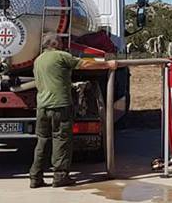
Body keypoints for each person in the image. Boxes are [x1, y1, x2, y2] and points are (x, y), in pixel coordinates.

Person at [29, 32, 116, 188]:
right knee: (61, 140)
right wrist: (107, 65)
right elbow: (85, 64)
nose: (63, 44)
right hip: (60, 105)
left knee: (42, 141)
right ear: (55, 44)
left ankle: (35, 177)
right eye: (61, 41)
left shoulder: (38, 61)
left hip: (42, 107)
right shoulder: (61, 56)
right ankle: (60, 176)